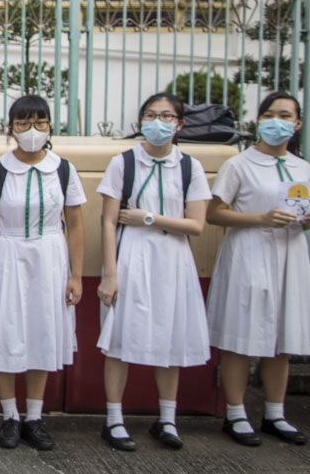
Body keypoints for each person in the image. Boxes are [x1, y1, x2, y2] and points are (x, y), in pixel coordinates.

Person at [95, 93, 212, 451]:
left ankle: (167, 419)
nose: (157, 122)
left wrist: (147, 217)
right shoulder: (123, 163)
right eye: (150, 115)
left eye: (166, 116)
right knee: (119, 340)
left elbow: (196, 225)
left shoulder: (190, 167)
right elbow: (109, 220)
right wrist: (110, 275)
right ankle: (114, 419)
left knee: (170, 336)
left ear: (179, 124)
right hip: (132, 255)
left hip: (173, 260)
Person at [0, 95, 85, 451]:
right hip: (7, 255)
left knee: (42, 332)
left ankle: (34, 417)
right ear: (11, 128)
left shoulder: (63, 169)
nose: (31, 130)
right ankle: (9, 416)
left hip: (51, 257)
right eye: (22, 123)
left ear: (50, 126)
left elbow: (77, 226)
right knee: (6, 333)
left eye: (39, 122)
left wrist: (76, 275)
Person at [206, 91, 310, 447]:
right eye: (269, 114)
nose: (276, 121)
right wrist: (261, 218)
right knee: (241, 335)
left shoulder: (303, 168)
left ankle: (275, 413)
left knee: (282, 337)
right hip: (249, 253)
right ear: (259, 121)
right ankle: (235, 414)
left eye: (285, 115)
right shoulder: (239, 164)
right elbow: (214, 213)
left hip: (289, 255)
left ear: (297, 125)